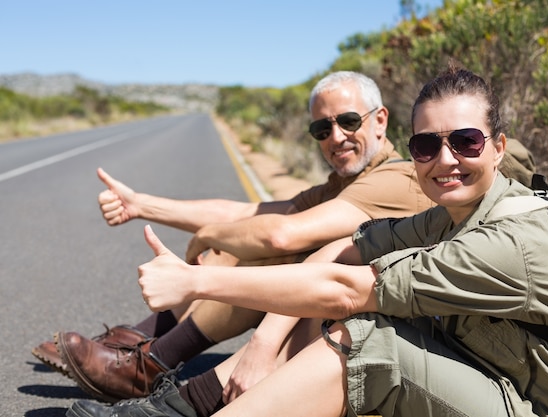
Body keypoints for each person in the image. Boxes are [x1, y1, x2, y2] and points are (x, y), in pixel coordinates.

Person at [66, 62, 548, 417]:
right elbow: (331, 241)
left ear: (499, 147)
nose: (444, 159)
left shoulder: (505, 238)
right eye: (428, 145)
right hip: (494, 375)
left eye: (466, 141)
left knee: (365, 340)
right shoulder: (449, 213)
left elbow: (337, 282)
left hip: (547, 406)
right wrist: (150, 208)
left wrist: (195, 275)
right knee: (312, 295)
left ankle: (159, 380)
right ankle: (167, 394)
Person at [34, 71, 438, 402]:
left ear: (380, 119)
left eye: (348, 121)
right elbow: (247, 212)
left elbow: (281, 235)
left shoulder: (394, 179)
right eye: (321, 128)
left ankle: (150, 363)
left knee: (265, 249)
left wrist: (211, 237)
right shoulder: (340, 183)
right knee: (244, 235)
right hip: (335, 306)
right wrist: (142, 205)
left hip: (382, 327)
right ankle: (136, 348)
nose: (335, 137)